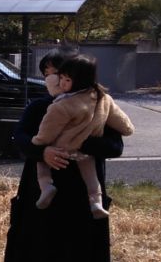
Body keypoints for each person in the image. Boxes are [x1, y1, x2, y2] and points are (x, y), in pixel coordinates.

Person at [1, 46, 125, 262]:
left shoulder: (98, 105)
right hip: (39, 195)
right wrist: (43, 153)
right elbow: (21, 138)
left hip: (79, 198)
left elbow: (115, 145)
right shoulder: (40, 106)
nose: (53, 80)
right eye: (48, 75)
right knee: (26, 257)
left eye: (56, 73)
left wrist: (78, 142)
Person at [33, 54, 135, 219]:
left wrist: (40, 146)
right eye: (47, 75)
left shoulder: (62, 105)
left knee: (43, 167)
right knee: (91, 177)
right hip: (83, 159)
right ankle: (96, 201)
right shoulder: (103, 99)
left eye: (60, 76)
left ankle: (46, 186)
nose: (58, 82)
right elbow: (125, 125)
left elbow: (46, 132)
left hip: (62, 155)